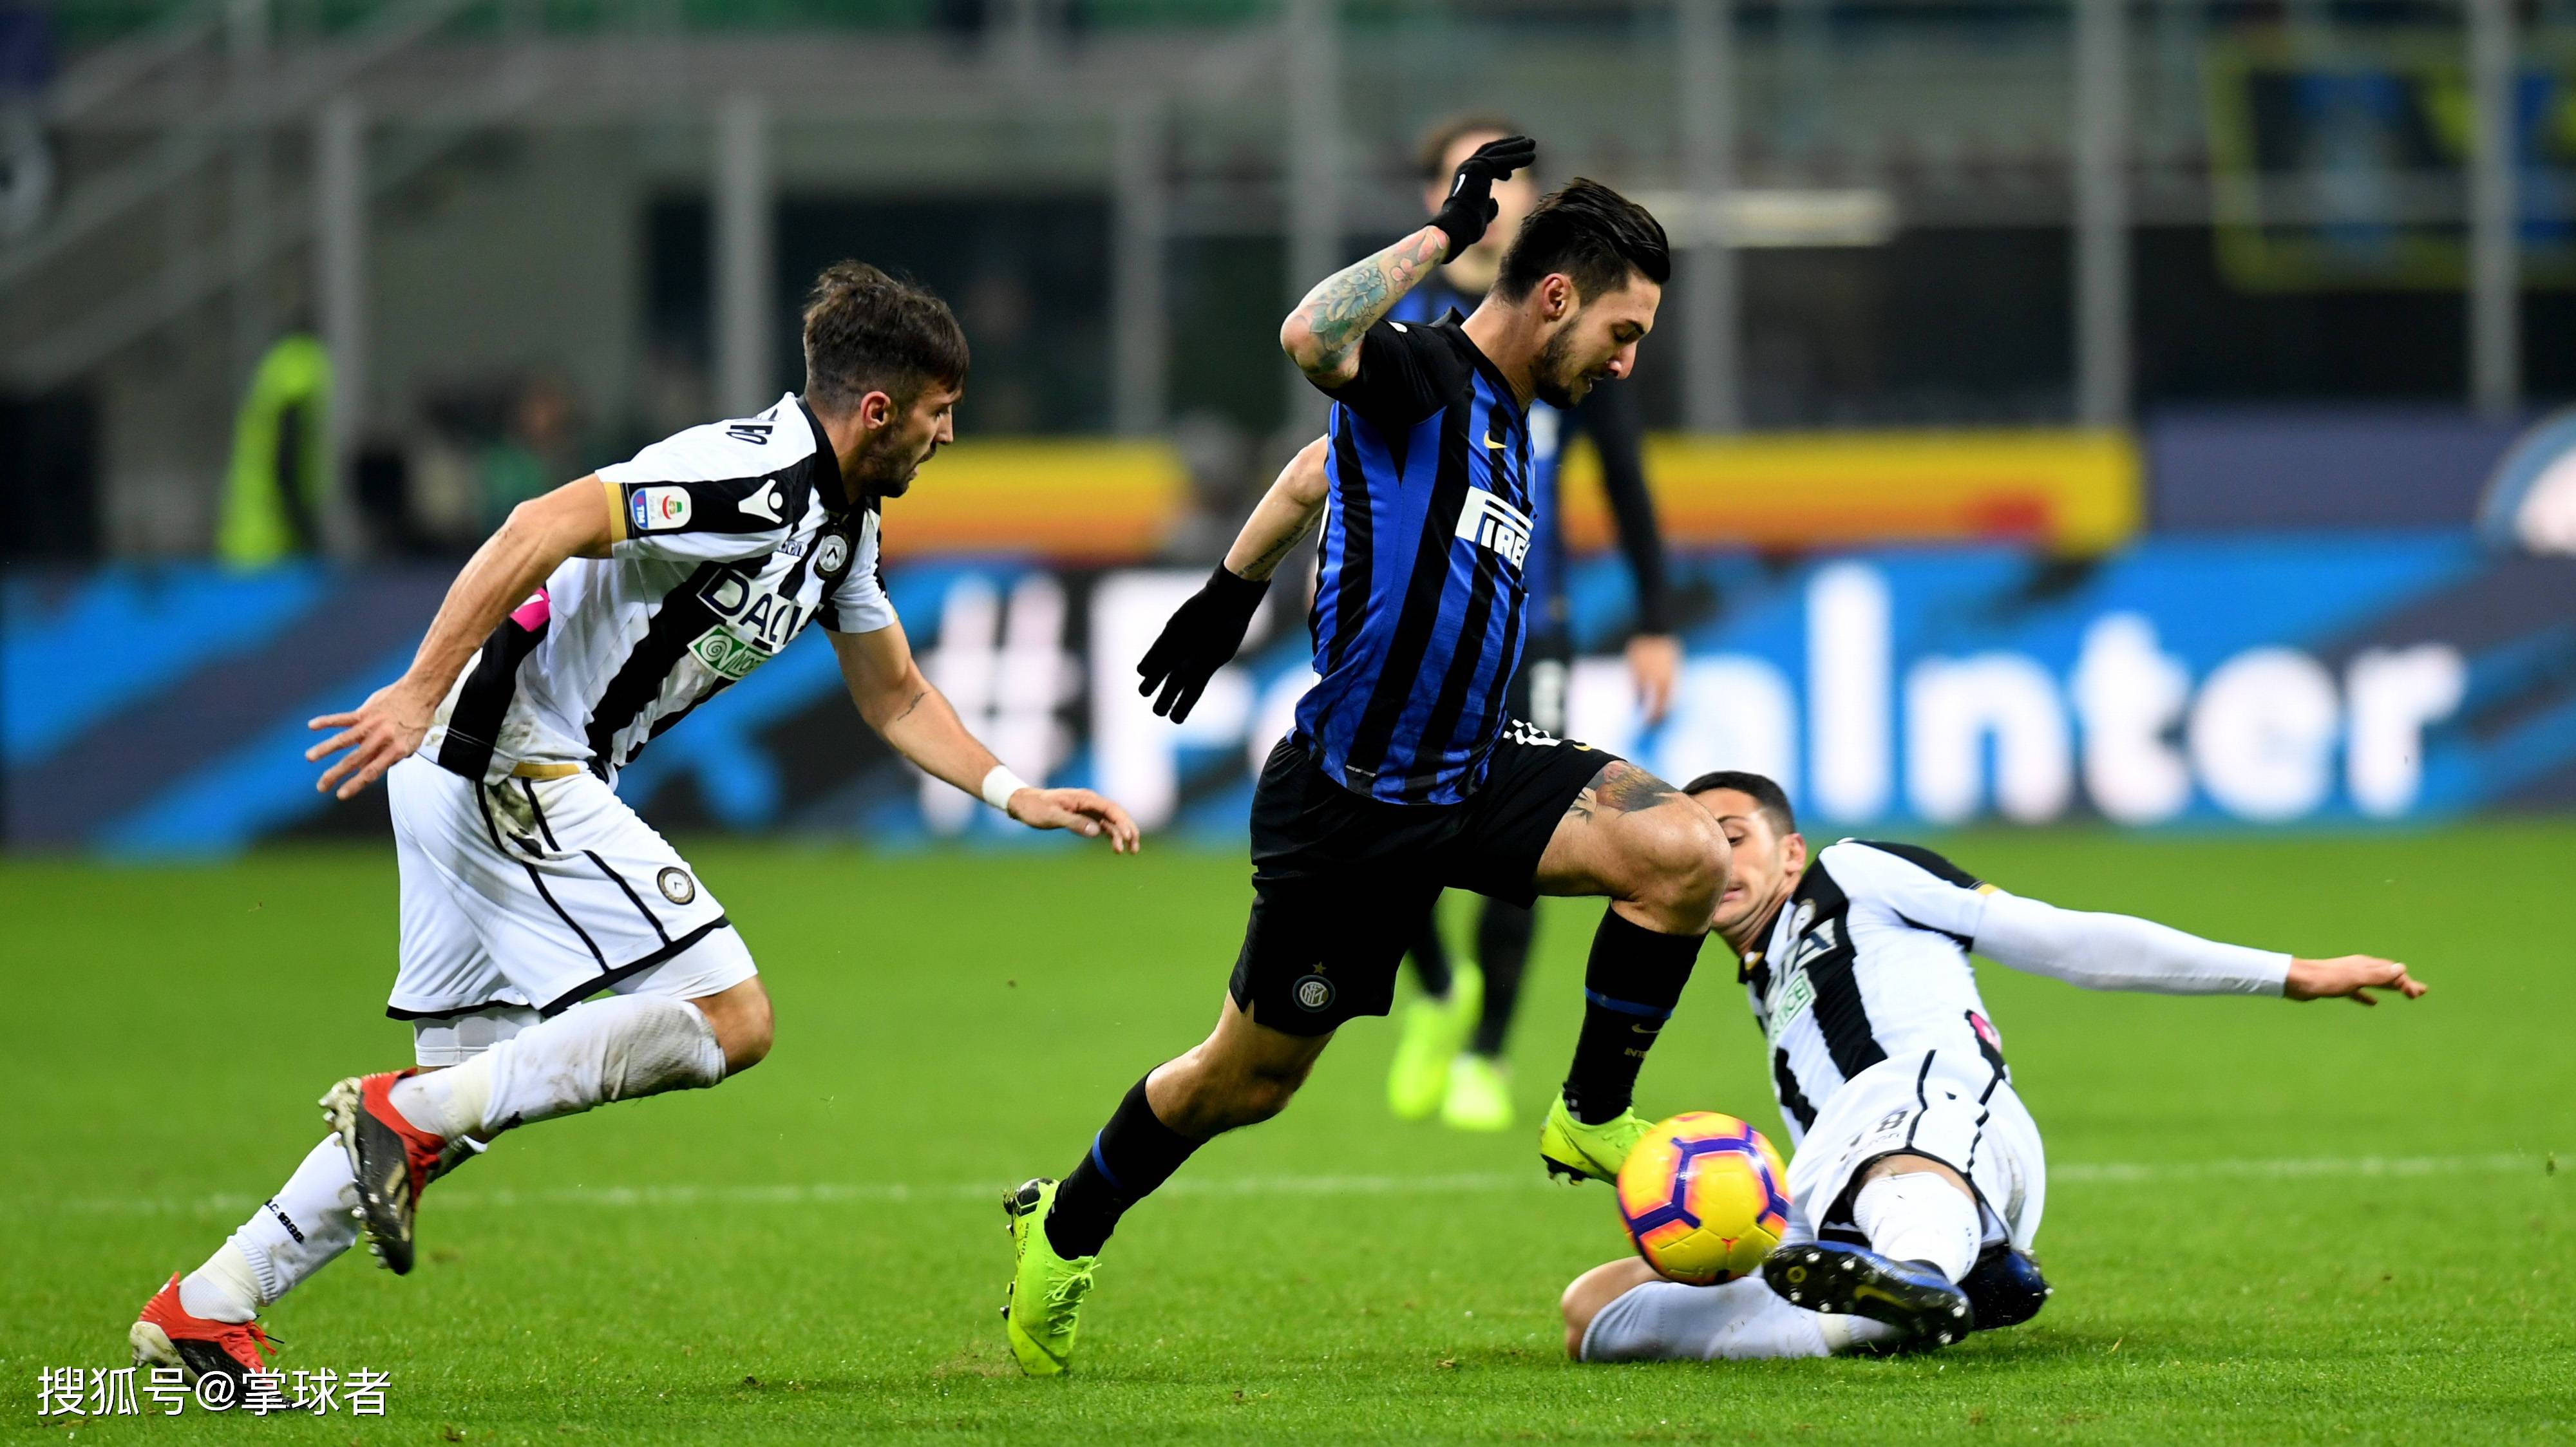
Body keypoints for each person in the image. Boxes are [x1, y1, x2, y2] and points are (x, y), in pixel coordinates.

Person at [129, 261, 1140, 1388]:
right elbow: (544, 522)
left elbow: (892, 693)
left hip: (497, 768)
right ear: (879, 409)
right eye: (943, 412)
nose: (950, 436)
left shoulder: (844, 525)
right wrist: (418, 688)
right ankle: (393, 1114)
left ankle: (208, 1306)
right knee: (730, 1017)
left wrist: (1016, 792)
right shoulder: (749, 478)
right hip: (508, 757)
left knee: (462, 1099)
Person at [1000, 143, 1724, 1376]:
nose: (1628, 358)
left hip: (1475, 770)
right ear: (1556, 297)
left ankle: (1589, 1112)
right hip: (1350, 807)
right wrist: (1443, 233)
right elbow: (1309, 336)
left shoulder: (1508, 419)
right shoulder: (1431, 369)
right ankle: (1062, 1234)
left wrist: (1236, 585)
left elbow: (1308, 471)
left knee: (1685, 852)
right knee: (1245, 1082)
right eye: (1624, 327)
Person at [1560, 771, 2427, 1362]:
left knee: (1891, 1137)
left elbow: (2063, 939)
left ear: (1791, 853)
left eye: (1734, 836)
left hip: (1945, 1109)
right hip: (1841, 1182)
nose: (1715, 857)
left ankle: (1927, 1277)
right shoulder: (1768, 981)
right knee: (1595, 1312)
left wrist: (2286, 973)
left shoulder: (1856, 874)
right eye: (1698, 842)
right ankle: (1891, 1311)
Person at [1383, 115, 1680, 1134]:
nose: (1505, 197)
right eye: (1478, 180)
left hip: (1530, 625)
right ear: (1440, 200)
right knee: (1391, 819)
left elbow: (1627, 477)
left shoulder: (1575, 334)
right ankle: (1433, 988)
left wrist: (1654, 617)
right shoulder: (1410, 324)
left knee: (1529, 834)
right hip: (1418, 623)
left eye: (1518, 181)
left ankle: (1485, 1052)